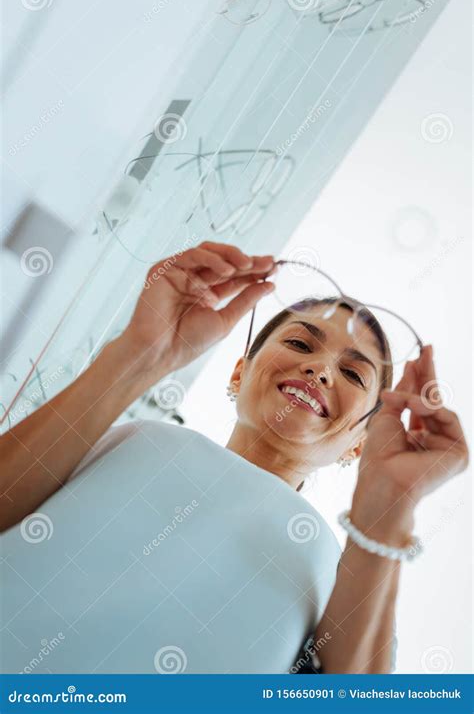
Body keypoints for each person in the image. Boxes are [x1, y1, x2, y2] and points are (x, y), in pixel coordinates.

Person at [0, 241, 469, 674]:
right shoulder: (135, 440)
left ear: (359, 441)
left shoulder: (341, 576)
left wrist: (388, 507)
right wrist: (143, 354)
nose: (320, 369)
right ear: (239, 371)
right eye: (301, 344)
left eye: (352, 373)